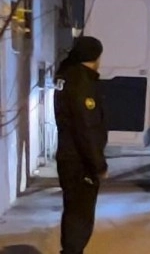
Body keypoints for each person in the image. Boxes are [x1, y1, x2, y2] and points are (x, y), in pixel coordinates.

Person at [54, 36, 107, 254]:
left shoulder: (68, 76)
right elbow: (87, 128)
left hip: (68, 157)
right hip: (80, 161)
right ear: (94, 57)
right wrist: (98, 164)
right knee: (80, 215)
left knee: (73, 211)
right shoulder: (81, 83)